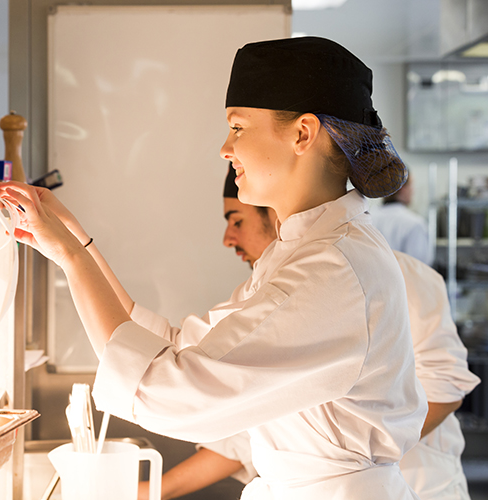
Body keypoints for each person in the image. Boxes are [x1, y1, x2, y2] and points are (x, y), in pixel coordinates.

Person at [0, 36, 427, 499]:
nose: (225, 148)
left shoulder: (334, 271)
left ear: (302, 133)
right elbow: (177, 346)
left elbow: (170, 392)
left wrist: (72, 255)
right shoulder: (301, 254)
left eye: (238, 127)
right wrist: (77, 241)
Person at [137, 168, 480, 500]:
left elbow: (445, 387)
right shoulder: (264, 295)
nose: (228, 238)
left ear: (275, 215)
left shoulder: (397, 276)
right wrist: (153, 492)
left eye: (236, 221)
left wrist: (359, 460)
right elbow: (255, 430)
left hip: (421, 485)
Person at [370, 174, 433, 266]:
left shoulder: (368, 218)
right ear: (401, 188)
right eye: (411, 185)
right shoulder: (415, 223)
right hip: (405, 280)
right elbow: (420, 268)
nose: (413, 190)